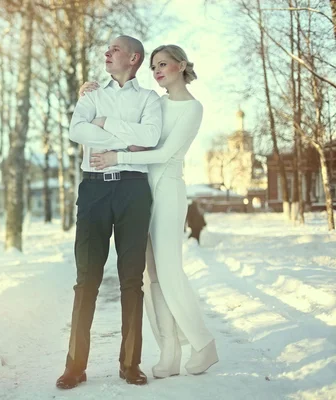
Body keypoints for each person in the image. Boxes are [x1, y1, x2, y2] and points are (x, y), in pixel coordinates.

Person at [86, 44, 219, 379]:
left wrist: (119, 158)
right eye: (154, 66)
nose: (157, 70)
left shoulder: (192, 108)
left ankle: (203, 344)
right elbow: (123, 125)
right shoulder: (154, 104)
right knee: (150, 276)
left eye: (163, 64)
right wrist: (89, 95)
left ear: (181, 65)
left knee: (170, 272)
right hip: (140, 191)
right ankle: (169, 352)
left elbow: (162, 153)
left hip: (168, 191)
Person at [55, 35, 162, 390]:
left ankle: (130, 363)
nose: (107, 52)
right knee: (86, 278)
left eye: (114, 49)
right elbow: (76, 131)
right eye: (106, 49)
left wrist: (103, 126)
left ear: (133, 58)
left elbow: (149, 138)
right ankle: (75, 366)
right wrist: (120, 137)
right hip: (95, 188)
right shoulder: (91, 96)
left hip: (133, 188)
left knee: (132, 278)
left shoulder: (149, 99)